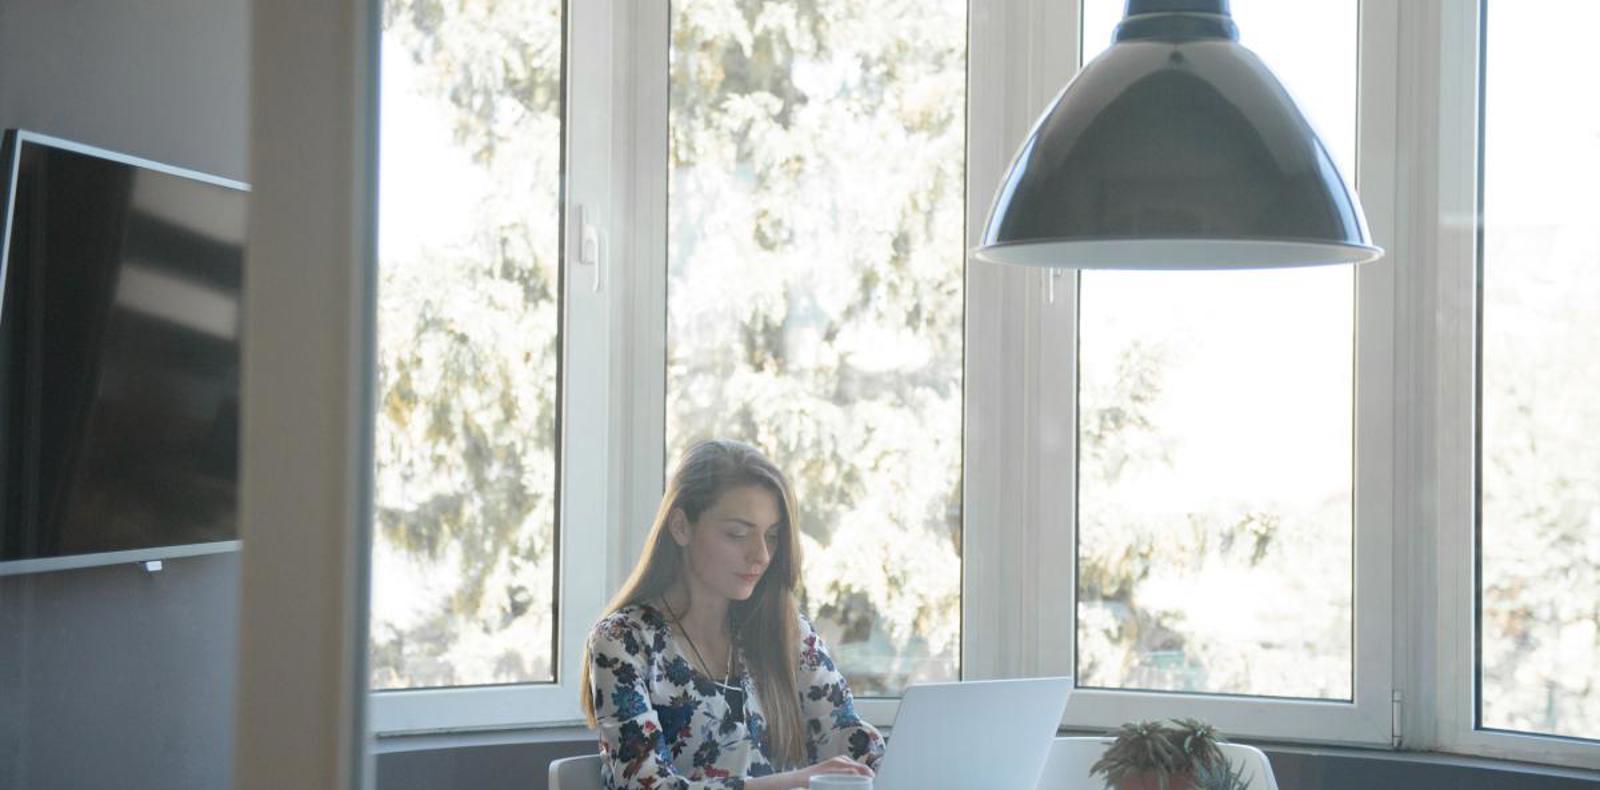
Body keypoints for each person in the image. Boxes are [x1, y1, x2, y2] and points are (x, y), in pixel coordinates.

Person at [582, 439, 884, 789]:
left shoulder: (787, 630)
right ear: (680, 526)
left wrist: (900, 761)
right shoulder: (622, 642)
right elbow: (645, 785)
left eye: (772, 537)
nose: (761, 556)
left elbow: (846, 735)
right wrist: (793, 783)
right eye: (737, 534)